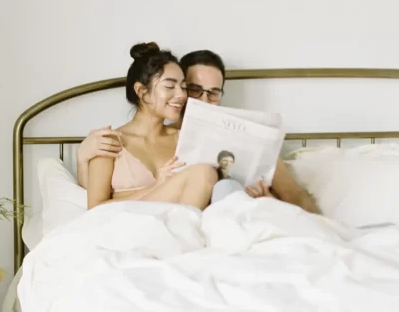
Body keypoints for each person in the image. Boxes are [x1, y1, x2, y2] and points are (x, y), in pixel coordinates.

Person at [78, 48, 320, 214]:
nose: (186, 96)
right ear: (142, 91)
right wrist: (81, 158)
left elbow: (292, 195)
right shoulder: (106, 142)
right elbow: (94, 204)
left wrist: (266, 204)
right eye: (193, 89)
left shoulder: (194, 141)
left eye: (213, 93)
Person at [86, 43, 217, 211]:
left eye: (183, 87)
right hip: (124, 225)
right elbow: (95, 209)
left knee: (206, 174)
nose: (181, 95)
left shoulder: (184, 138)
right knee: (203, 173)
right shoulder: (107, 143)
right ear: (142, 91)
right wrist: (156, 186)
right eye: (169, 86)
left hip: (175, 225)